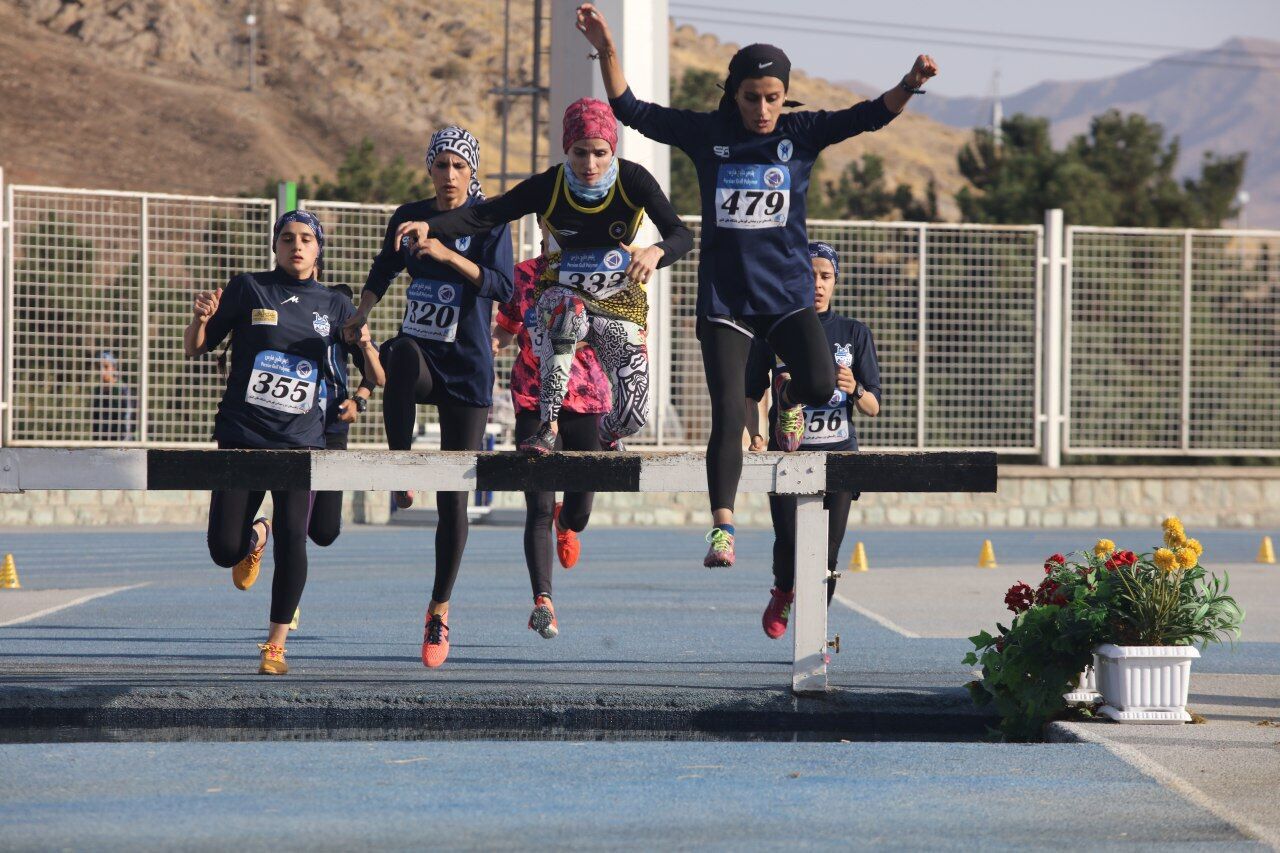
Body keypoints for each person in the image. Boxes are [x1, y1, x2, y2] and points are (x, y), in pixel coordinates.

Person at [575, 2, 934, 567]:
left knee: (820, 387)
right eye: (751, 97)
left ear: (784, 95)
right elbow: (630, 109)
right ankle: (722, 527)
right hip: (726, 302)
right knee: (727, 413)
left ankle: (787, 396)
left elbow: (868, 115)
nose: (762, 109)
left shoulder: (801, 132)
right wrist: (607, 48)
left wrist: (909, 85)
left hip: (786, 301)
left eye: (772, 97)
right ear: (733, 93)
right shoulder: (707, 133)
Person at [400, 98, 692, 455]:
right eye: (580, 153)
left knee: (634, 413)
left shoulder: (632, 180)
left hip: (617, 303)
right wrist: (430, 225)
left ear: (612, 149)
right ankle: (547, 425)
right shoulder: (550, 184)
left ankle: (608, 435)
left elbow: (682, 234)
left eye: (600, 153)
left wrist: (656, 250)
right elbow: (484, 216)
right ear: (567, 149)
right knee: (566, 312)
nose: (590, 164)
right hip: (562, 291)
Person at [344, 126, 514, 669]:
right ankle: (401, 467)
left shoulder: (489, 219)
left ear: (472, 172)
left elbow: (503, 287)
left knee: (454, 502)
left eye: (458, 167)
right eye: (440, 165)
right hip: (423, 354)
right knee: (399, 354)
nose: (448, 176)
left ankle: (439, 608)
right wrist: (362, 311)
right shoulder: (409, 214)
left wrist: (443, 253)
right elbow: (384, 267)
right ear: (429, 170)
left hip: (467, 368)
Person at [184, 210, 353, 675]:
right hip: (242, 433)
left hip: (301, 441)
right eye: (286, 238)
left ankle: (276, 643)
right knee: (223, 550)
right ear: (275, 246)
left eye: (305, 239)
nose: (295, 246)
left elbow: (357, 369)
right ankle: (257, 532)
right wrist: (200, 320)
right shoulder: (248, 288)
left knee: (296, 537)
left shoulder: (336, 303)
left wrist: (364, 379)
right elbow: (196, 347)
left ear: (319, 249)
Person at [745, 242, 881, 638]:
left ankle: (813, 630)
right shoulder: (773, 331)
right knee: (787, 541)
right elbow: (751, 392)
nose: (817, 284)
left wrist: (855, 387)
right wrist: (755, 434)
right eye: (809, 275)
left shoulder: (854, 332)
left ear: (835, 282)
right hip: (787, 456)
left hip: (839, 455)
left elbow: (873, 406)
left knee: (828, 553)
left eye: (825, 277)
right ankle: (784, 590)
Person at [494, 250, 613, 639]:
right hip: (533, 398)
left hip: (586, 397)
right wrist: (489, 343)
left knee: (579, 513)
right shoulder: (523, 275)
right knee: (538, 506)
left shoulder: (602, 272)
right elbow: (508, 329)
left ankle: (568, 522)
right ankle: (543, 601)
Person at [307, 283, 385, 552]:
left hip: (331, 425)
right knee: (290, 522)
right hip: (286, 428)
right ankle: (264, 527)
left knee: (324, 532)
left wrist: (359, 400)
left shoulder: (336, 306)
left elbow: (377, 373)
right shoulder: (272, 301)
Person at [91, 350, 137, 441]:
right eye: (98, 367)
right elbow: (95, 419)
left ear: (114, 368)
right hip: (102, 443)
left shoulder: (121, 389)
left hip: (120, 442)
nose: (102, 371)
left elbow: (127, 418)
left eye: (106, 367)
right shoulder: (98, 390)